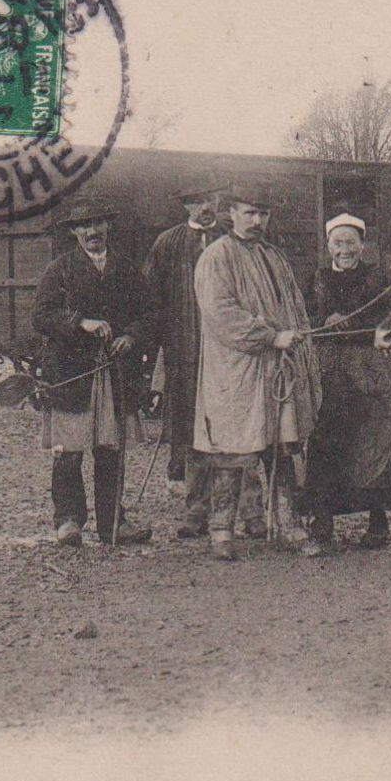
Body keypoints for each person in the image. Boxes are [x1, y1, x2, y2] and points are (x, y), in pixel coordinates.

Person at [192, 180, 323, 560]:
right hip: (236, 371)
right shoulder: (216, 257)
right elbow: (221, 315)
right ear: (230, 213)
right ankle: (221, 532)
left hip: (279, 370)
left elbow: (295, 308)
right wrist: (270, 336)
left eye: (263, 213)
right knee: (231, 451)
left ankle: (289, 525)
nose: (257, 220)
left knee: (282, 446)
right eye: (249, 212)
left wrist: (297, 339)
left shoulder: (274, 257)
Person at [142, 177, 264, 540]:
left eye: (210, 199)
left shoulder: (236, 243)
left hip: (231, 354)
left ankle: (251, 510)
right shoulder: (167, 243)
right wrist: (163, 346)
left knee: (242, 427)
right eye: (196, 202)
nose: (204, 207)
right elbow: (152, 299)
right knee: (192, 432)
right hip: (186, 353)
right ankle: (196, 509)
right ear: (185, 207)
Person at [302, 213, 391, 548]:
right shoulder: (316, 279)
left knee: (374, 444)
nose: (344, 250)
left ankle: (378, 522)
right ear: (328, 245)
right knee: (325, 444)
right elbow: (302, 316)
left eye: (351, 242)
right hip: (329, 372)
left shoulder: (380, 279)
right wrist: (324, 320)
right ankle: (322, 521)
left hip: (370, 373)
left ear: (362, 245)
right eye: (338, 243)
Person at [32, 198, 155, 547]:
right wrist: (80, 323)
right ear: (74, 232)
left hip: (113, 375)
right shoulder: (60, 270)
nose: (92, 232)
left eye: (98, 224)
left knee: (110, 450)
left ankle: (113, 522)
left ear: (108, 228)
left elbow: (150, 313)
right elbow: (40, 316)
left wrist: (131, 335)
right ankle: (69, 520)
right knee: (69, 451)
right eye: (84, 226)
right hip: (71, 374)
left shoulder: (127, 269)